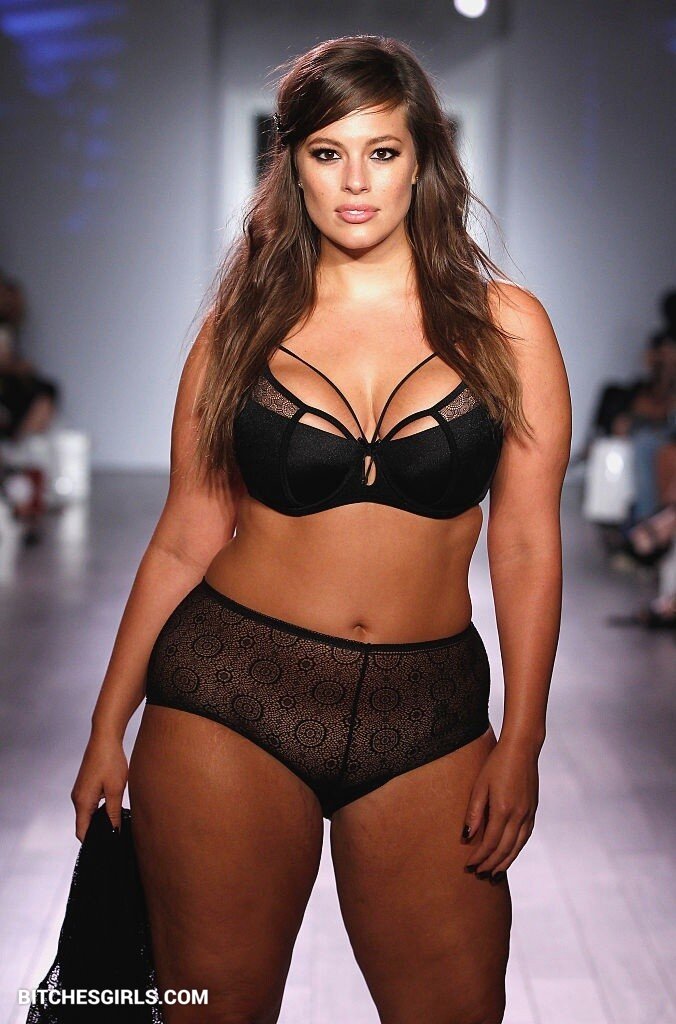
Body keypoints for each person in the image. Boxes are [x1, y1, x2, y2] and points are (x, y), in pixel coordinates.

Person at [70, 35, 571, 1024]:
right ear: (292, 164)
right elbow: (185, 533)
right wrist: (104, 725)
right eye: (327, 152)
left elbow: (524, 546)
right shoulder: (242, 328)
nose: (354, 181)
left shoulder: (507, 328)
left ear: (422, 162)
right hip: (231, 693)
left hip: (429, 711)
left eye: (381, 152)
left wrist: (524, 737)